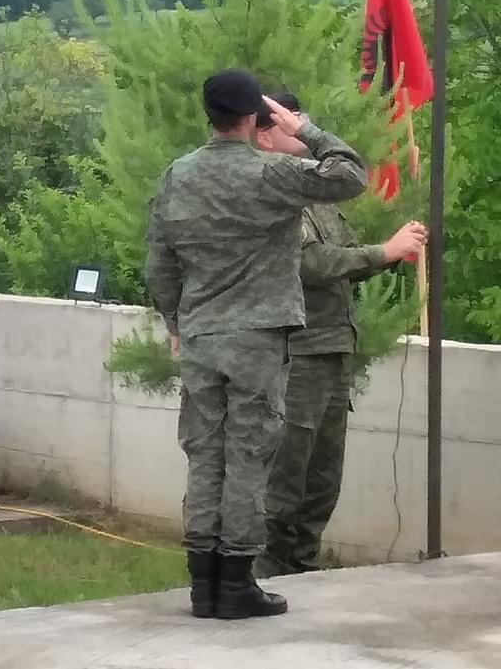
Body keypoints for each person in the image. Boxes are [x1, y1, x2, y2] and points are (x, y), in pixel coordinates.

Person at [146, 69, 368, 620]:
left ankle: (203, 583)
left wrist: (175, 319)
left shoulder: (179, 175)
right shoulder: (272, 174)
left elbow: (159, 260)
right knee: (248, 455)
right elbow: (350, 175)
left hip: (200, 333)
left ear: (210, 115)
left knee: (204, 455)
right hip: (256, 336)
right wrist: (306, 127)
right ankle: (238, 579)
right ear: (252, 118)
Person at [251, 93, 425, 578]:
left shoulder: (311, 196)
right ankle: (262, 579)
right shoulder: (267, 189)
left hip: (331, 351)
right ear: (265, 135)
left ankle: (300, 576)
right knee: (284, 482)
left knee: (321, 482)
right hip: (296, 355)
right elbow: (308, 263)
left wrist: (389, 255)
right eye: (293, 123)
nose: (304, 129)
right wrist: (380, 252)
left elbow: (342, 263)